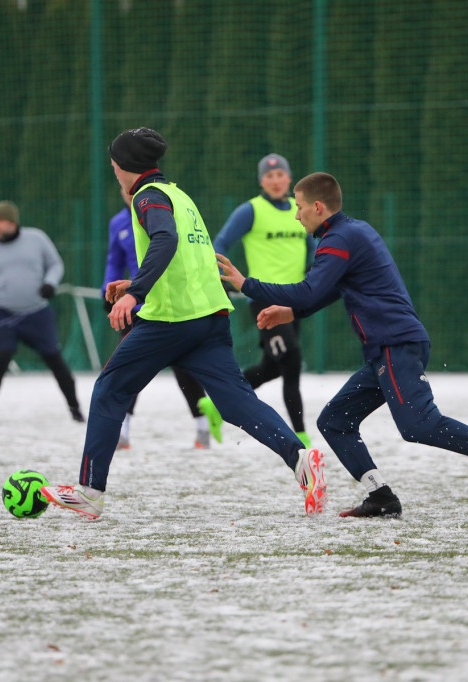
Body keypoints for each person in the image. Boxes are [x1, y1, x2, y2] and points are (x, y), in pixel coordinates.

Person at [40, 127, 326, 520]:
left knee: (109, 390)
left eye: (113, 164)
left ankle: (90, 491)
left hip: (172, 320)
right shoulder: (179, 195)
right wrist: (134, 282)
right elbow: (186, 255)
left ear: (125, 166)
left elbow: (164, 241)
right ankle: (299, 459)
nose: (113, 171)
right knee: (235, 402)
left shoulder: (147, 196)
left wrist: (134, 292)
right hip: (209, 316)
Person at [217, 171, 468, 517]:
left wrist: (246, 283)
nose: (296, 215)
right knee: (334, 421)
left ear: (318, 206)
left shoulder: (338, 239)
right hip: (385, 349)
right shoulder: (349, 232)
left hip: (396, 345)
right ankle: (381, 496)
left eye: (299, 208)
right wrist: (290, 313)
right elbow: (330, 289)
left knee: (418, 424)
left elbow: (310, 288)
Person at [103, 186, 224, 449]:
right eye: (123, 189)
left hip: (171, 304)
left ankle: (203, 426)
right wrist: (107, 289)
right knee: (129, 368)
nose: (128, 192)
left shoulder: (163, 212)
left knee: (184, 367)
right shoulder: (119, 223)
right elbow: (114, 260)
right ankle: (121, 431)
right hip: (136, 307)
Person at [213, 153, 313, 448]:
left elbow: (314, 246)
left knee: (272, 367)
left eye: (280, 174)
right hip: (265, 298)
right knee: (292, 359)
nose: (275, 180)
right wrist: (223, 278)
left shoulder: (299, 210)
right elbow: (220, 244)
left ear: (289, 178)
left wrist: (316, 272)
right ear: (261, 181)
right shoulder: (250, 211)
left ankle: (216, 405)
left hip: (295, 300)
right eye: (269, 176)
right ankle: (301, 434)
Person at [0, 200, 83, 424]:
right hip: (3, 313)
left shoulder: (36, 239)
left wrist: (50, 283)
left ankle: (75, 408)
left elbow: (55, 265)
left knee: (55, 359)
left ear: (12, 222)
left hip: (37, 312)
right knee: (0, 360)